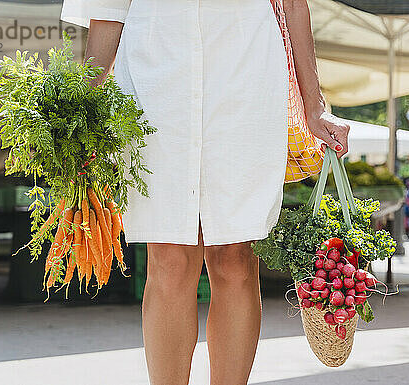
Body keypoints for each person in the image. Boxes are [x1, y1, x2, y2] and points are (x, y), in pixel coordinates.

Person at [60, 0, 349, 384]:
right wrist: (86, 109)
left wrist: (316, 107)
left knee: (234, 257)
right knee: (169, 260)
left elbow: (294, 3)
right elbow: (107, 9)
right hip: (153, 76)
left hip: (246, 72)